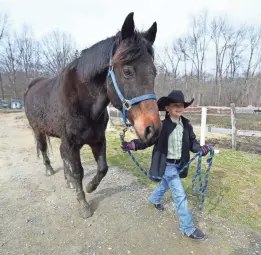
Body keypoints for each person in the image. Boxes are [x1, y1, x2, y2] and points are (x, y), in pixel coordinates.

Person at [121, 90, 210, 241]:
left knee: (165, 184)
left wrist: (201, 149)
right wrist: (132, 145)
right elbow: (147, 140)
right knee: (180, 194)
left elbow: (193, 143)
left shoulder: (186, 125)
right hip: (167, 165)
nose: (179, 107)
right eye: (175, 105)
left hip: (179, 164)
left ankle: (154, 199)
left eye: (181, 105)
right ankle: (188, 228)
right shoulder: (161, 126)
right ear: (167, 108)